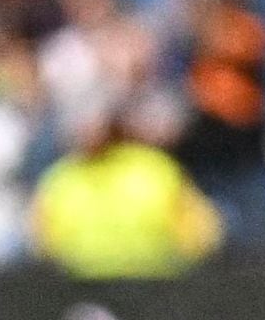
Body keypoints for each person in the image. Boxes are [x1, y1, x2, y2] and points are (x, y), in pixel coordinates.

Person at [31, 100, 224, 276]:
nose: (86, 131)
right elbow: (42, 240)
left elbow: (201, 233)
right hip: (82, 288)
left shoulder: (153, 168)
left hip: (155, 284)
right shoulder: (60, 178)